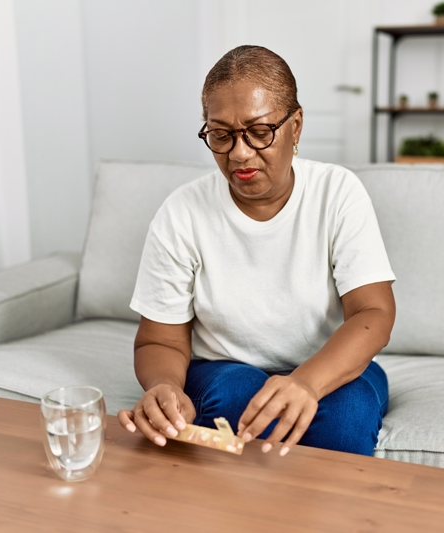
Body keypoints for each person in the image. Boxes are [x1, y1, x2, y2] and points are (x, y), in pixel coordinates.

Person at [118, 45, 396, 457]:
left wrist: (305, 383)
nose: (239, 153)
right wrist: (165, 386)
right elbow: (160, 341)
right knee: (236, 396)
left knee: (347, 415)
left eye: (260, 131)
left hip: (326, 364)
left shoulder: (338, 193)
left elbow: (373, 312)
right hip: (223, 370)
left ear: (295, 126)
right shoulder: (182, 212)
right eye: (221, 135)